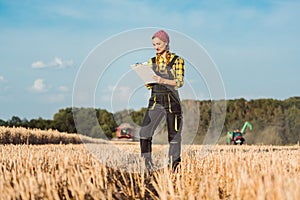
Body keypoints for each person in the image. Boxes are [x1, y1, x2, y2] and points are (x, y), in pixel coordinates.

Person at [139, 30, 185, 172]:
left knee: (174, 135)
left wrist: (162, 80)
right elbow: (149, 85)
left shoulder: (177, 60)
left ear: (166, 43)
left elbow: (179, 82)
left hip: (172, 101)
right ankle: (147, 165)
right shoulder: (151, 62)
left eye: (158, 44)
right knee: (144, 133)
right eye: (154, 44)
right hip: (155, 100)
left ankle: (174, 168)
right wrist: (145, 76)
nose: (156, 47)